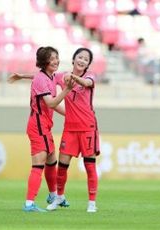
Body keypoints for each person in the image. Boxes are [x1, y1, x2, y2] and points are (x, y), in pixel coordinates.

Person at [9, 47, 100, 213]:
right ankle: (45, 199)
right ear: (73, 60)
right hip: (57, 127)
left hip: (85, 127)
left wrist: (71, 78)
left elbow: (86, 83)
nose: (82, 61)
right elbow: (45, 82)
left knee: (77, 164)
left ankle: (83, 201)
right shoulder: (60, 76)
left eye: (86, 59)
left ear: (88, 65)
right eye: (79, 57)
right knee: (55, 166)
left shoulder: (86, 77)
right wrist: (67, 87)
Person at [12, 46, 74, 212]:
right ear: (44, 62)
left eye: (57, 57)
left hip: (44, 126)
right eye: (52, 58)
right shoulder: (41, 79)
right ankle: (29, 203)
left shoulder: (49, 76)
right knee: (38, 165)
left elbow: (41, 78)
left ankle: (53, 195)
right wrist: (67, 90)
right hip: (37, 126)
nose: (56, 61)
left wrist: (72, 115)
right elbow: (52, 103)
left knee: (51, 160)